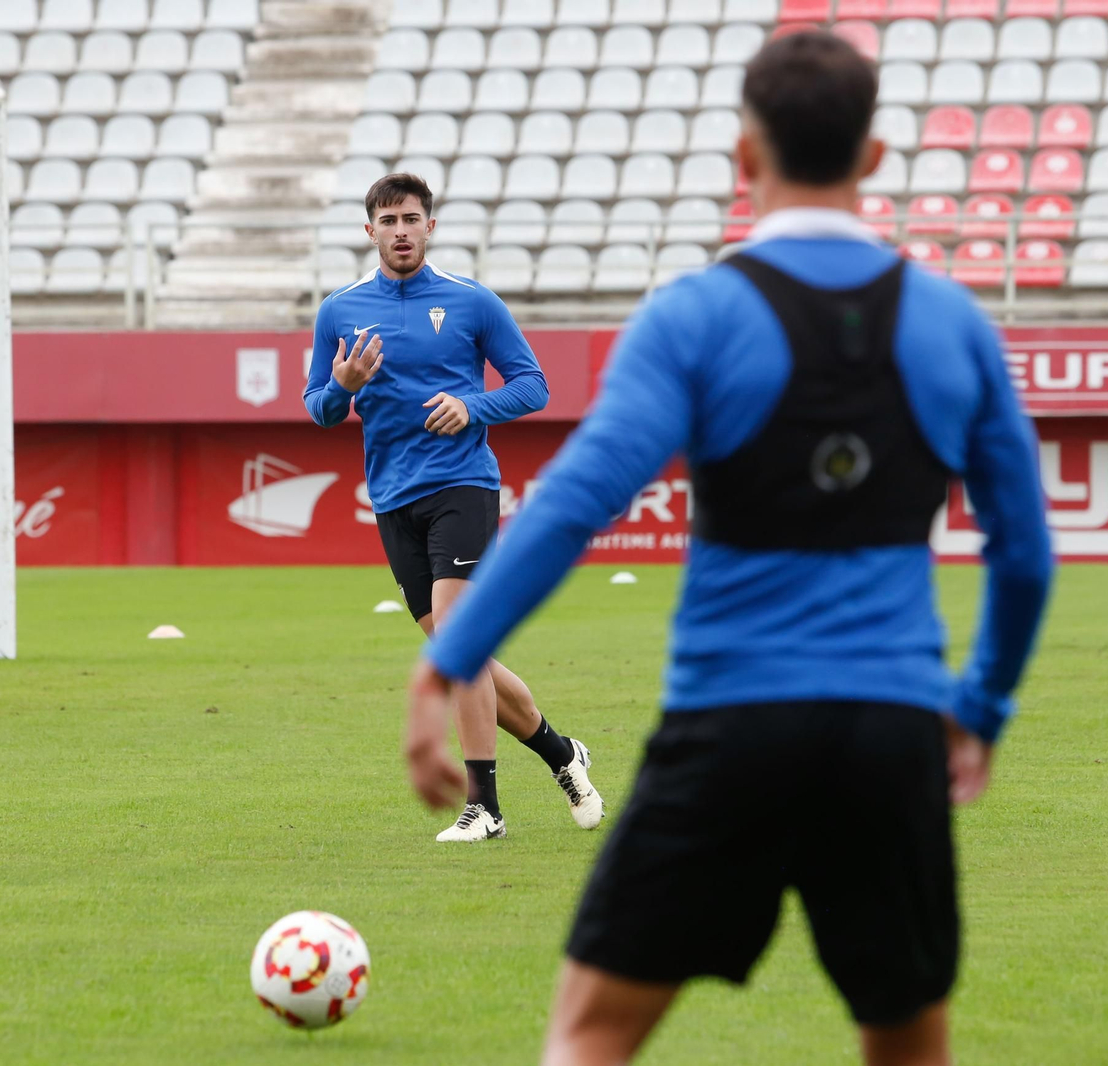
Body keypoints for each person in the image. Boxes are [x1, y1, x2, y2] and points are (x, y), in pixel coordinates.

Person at [405, 32, 1054, 1065]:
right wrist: (979, 709)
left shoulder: (694, 316)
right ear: (872, 157)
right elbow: (1022, 554)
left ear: (743, 156)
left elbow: (576, 502)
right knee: (906, 1044)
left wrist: (447, 658)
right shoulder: (952, 322)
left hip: (728, 727)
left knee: (587, 1037)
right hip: (889, 730)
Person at [307, 173, 602, 842]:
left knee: (459, 643)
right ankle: (563, 754)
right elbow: (317, 408)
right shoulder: (339, 310)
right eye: (388, 220)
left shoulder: (472, 303)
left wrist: (473, 406)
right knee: (460, 648)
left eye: (412, 217)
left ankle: (485, 809)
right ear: (370, 230)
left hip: (464, 484)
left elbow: (532, 386)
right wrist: (341, 388)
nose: (401, 230)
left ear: (430, 226)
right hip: (391, 498)